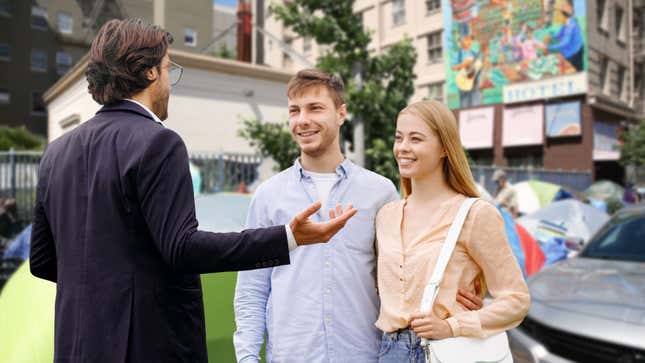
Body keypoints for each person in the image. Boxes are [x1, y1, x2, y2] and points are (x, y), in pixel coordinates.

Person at [29, 19, 357, 363]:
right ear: (150, 72)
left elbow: (42, 261)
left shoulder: (56, 152)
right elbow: (182, 248)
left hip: (75, 346)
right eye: (169, 69)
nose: (170, 82)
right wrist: (289, 237)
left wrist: (105, 289)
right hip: (148, 347)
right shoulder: (157, 141)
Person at [233, 70, 484, 362]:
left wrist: (451, 300)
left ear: (341, 114)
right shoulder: (268, 196)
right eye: (294, 110)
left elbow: (404, 276)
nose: (302, 120)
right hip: (292, 355)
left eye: (315, 108)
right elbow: (252, 290)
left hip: (364, 354)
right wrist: (248, 358)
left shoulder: (379, 193)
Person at [375, 100, 530, 362]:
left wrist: (454, 325)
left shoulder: (474, 214)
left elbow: (516, 300)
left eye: (416, 139)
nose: (402, 148)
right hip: (389, 351)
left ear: (445, 148)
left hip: (446, 349)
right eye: (399, 137)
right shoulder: (386, 216)